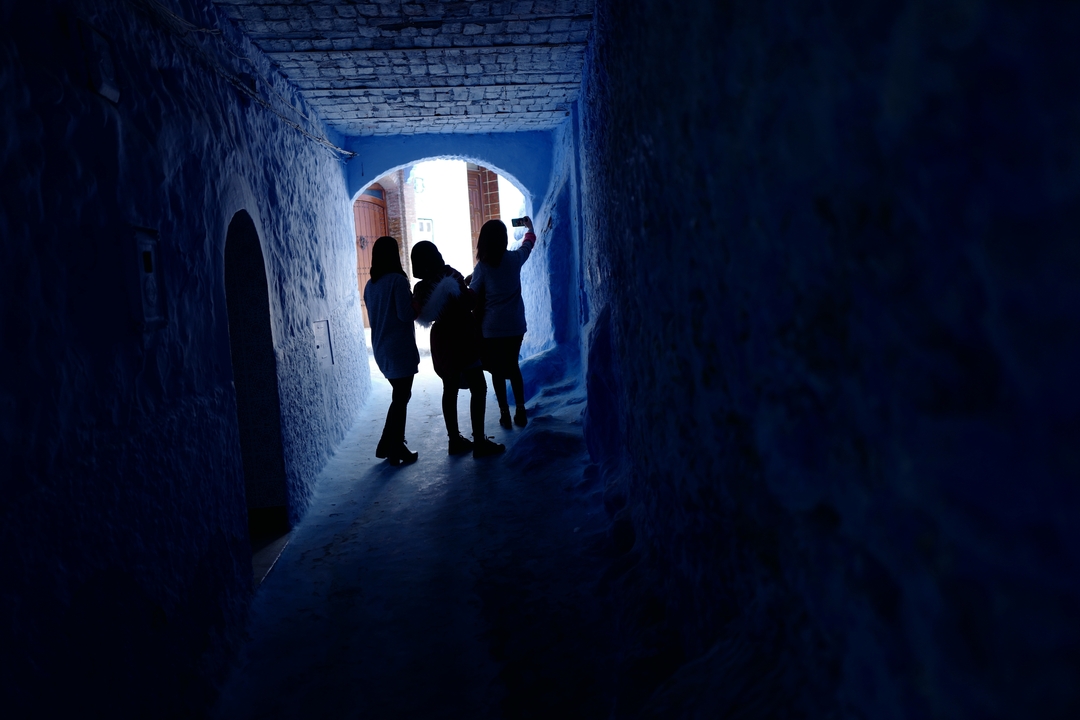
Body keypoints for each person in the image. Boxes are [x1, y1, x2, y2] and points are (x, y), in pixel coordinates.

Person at [411, 241, 505, 459]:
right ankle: (480, 442)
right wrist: (470, 286)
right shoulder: (449, 275)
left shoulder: (420, 288)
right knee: (478, 387)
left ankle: (454, 440)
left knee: (449, 388)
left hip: (442, 340)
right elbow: (469, 301)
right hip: (462, 336)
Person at [469, 217, 536, 429]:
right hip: (515, 325)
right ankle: (521, 410)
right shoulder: (515, 259)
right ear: (504, 239)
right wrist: (530, 228)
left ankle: (504, 413)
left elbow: (472, 294)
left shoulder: (483, 267)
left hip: (492, 328)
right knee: (513, 366)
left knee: (497, 371)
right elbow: (528, 245)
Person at [363, 236, 420, 466]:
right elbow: (406, 314)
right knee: (401, 396)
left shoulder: (371, 285)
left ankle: (389, 444)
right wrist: (418, 300)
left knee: (400, 396)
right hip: (399, 348)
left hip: (381, 348)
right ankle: (393, 446)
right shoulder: (397, 281)